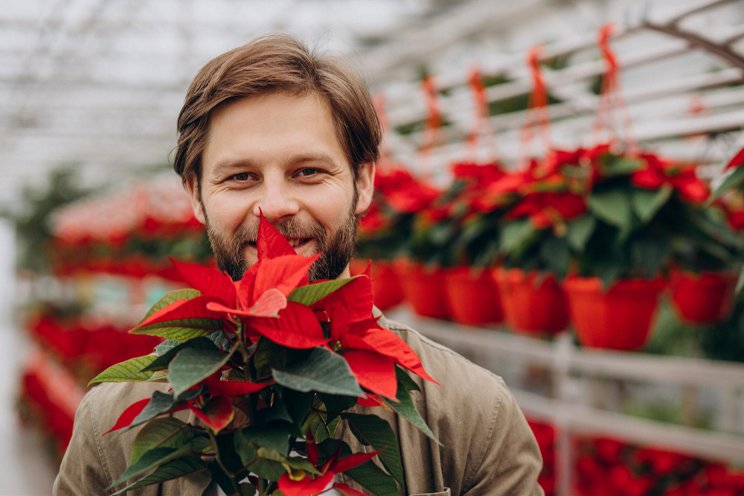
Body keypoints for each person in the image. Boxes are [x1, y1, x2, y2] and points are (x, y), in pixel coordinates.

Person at [54, 35, 543, 496]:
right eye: (240, 177)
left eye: (307, 172)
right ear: (197, 197)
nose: (274, 206)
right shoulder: (110, 427)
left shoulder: (473, 417)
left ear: (364, 181)